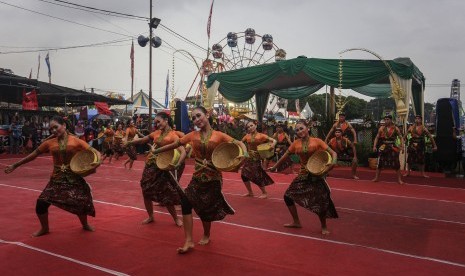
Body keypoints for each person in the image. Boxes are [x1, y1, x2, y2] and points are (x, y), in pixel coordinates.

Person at [152, 106, 247, 254]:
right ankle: (189, 240)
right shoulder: (192, 135)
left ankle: (207, 234)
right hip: (197, 177)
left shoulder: (219, 135)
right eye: (193, 118)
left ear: (207, 115)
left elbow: (239, 143)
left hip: (213, 178)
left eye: (198, 116)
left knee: (205, 209)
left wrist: (244, 153)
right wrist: (157, 150)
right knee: (186, 201)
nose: (196, 120)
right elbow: (176, 144)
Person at [4, 116, 100, 237]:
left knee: (80, 203)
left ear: (64, 125)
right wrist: (15, 165)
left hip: (74, 178)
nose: (53, 130)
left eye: (56, 127)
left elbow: (95, 152)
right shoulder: (49, 143)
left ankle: (85, 224)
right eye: (51, 129)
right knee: (41, 203)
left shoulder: (76, 140)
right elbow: (33, 155)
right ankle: (44, 228)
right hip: (56, 179)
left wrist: (97, 161)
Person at [269, 120, 338, 235]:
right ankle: (296, 222)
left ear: (308, 128)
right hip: (303, 174)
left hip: (317, 174)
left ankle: (324, 226)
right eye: (297, 130)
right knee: (288, 196)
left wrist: (333, 163)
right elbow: (285, 156)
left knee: (320, 201)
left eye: (301, 128)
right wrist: (275, 166)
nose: (299, 131)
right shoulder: (295, 143)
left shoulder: (317, 141)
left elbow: (333, 153)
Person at [127, 112, 186, 226]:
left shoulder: (173, 135)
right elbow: (143, 140)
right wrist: (129, 142)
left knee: (167, 192)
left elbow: (183, 151)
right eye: (155, 123)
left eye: (159, 122)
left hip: (164, 166)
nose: (157, 124)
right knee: (145, 189)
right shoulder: (156, 133)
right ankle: (150, 216)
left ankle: (176, 219)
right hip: (150, 165)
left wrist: (178, 164)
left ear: (166, 120)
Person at [240, 120, 277, 199]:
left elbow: (274, 140)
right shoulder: (247, 136)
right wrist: (245, 154)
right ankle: (250, 192)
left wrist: (272, 145)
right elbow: (240, 144)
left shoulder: (261, 136)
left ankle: (264, 192)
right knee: (243, 175)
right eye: (248, 127)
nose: (250, 128)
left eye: (251, 125)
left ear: (255, 126)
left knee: (257, 176)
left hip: (257, 159)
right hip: (249, 159)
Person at [372, 115, 405, 184]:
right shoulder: (381, 128)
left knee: (396, 162)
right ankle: (376, 178)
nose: (386, 121)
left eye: (387, 119)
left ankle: (399, 179)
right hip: (384, 146)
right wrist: (374, 146)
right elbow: (377, 137)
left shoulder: (395, 128)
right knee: (380, 162)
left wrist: (402, 146)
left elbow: (401, 137)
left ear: (391, 120)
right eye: (385, 119)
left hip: (393, 146)